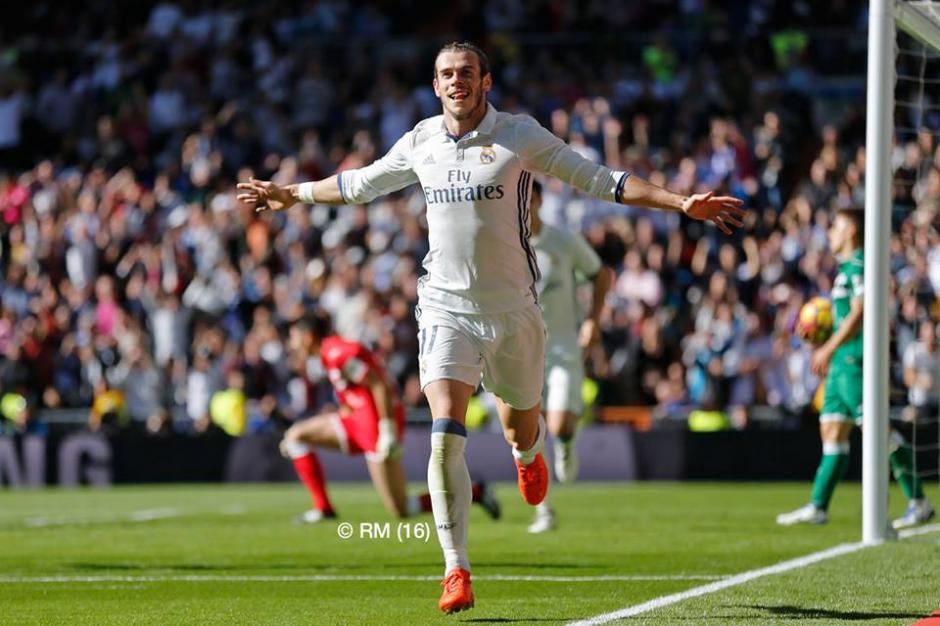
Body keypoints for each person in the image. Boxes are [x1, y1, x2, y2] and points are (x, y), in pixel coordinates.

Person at [237, 41, 745, 614]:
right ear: (435, 86)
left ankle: (529, 455)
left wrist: (681, 203)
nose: (456, 82)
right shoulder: (421, 141)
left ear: (486, 82)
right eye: (446, 75)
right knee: (444, 429)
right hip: (445, 307)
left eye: (466, 73)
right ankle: (456, 569)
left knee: (518, 429)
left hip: (513, 312)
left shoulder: (519, 136)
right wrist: (293, 194)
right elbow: (360, 184)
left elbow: (600, 179)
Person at [776, 208, 935, 529]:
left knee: (877, 431)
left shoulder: (860, 264)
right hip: (839, 364)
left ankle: (918, 500)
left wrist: (828, 346)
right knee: (833, 430)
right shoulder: (846, 269)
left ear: (850, 230)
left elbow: (861, 311)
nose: (830, 233)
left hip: (853, 360)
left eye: (834, 226)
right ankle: (818, 506)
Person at [280, 315, 500, 523]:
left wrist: (387, 430)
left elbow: (379, 385)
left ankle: (475, 492)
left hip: (374, 428)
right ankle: (323, 508)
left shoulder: (338, 352)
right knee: (296, 436)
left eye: (294, 337)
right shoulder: (329, 354)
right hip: (357, 422)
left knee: (402, 508)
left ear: (308, 336)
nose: (293, 343)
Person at [526, 180, 614, 534]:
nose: (524, 206)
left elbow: (600, 274)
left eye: (529, 199)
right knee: (528, 434)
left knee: (559, 424)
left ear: (539, 202)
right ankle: (543, 509)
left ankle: (566, 442)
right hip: (522, 352)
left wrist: (593, 321)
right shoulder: (504, 246)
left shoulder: (562, 241)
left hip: (562, 348)